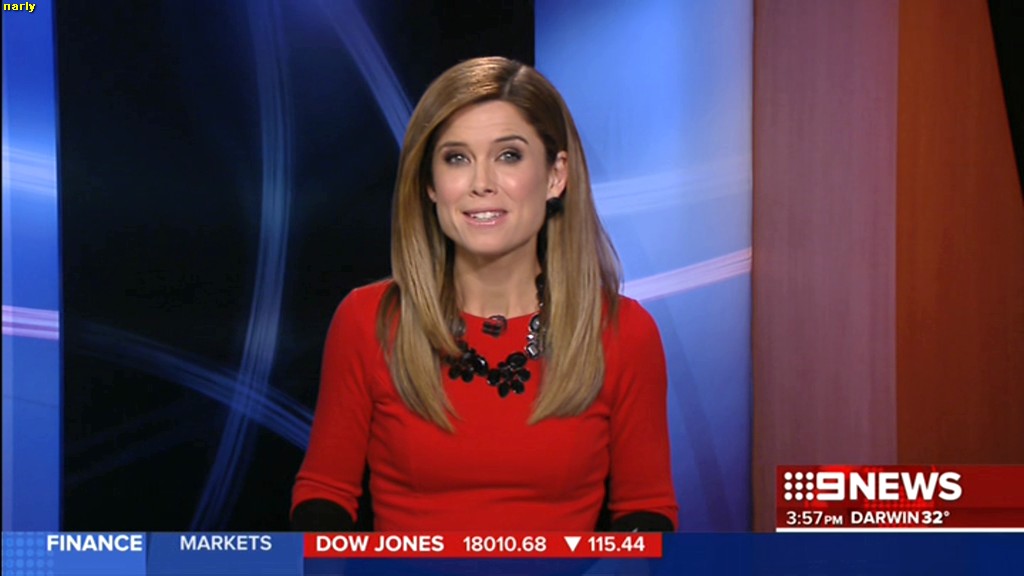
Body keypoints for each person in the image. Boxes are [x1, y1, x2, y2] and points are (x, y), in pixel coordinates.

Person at [291, 56, 677, 532]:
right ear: (430, 184)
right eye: (457, 158)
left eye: (508, 156)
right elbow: (324, 494)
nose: (481, 184)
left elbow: (647, 510)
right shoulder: (368, 320)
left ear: (556, 176)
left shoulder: (623, 331)